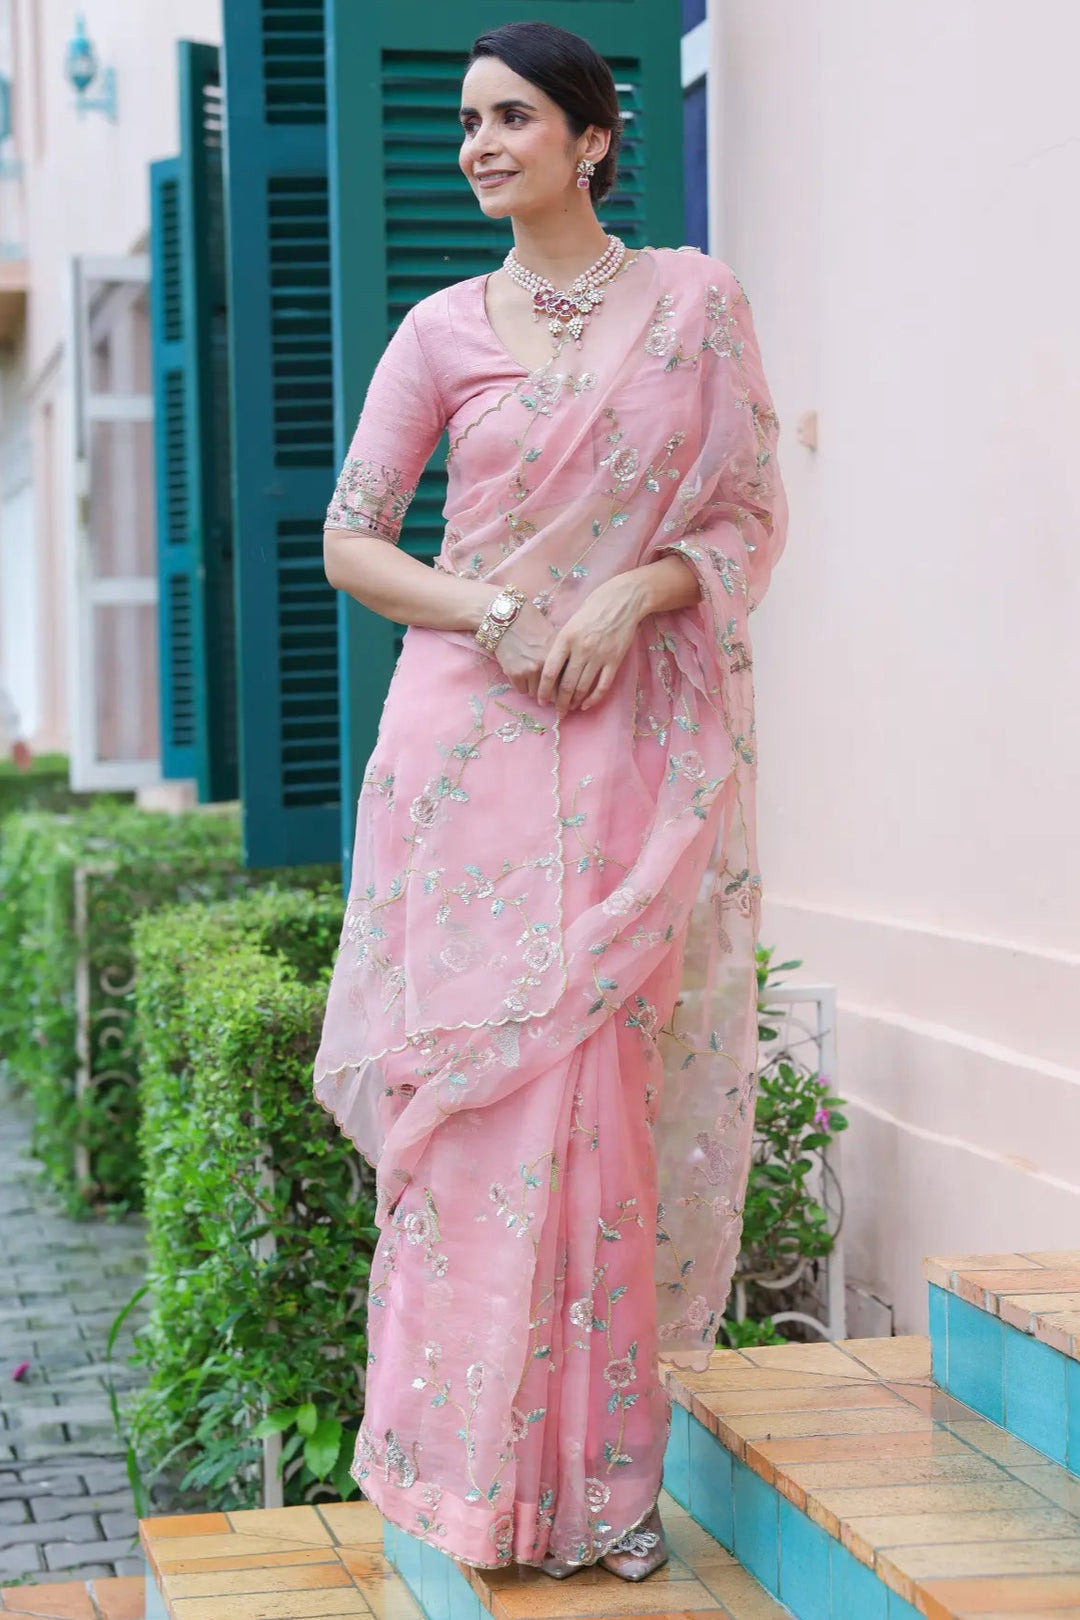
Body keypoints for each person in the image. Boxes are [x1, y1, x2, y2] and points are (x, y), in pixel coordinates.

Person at [313, 18, 788, 1582]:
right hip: (467, 748)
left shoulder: (698, 307)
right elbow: (354, 540)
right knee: (477, 1121)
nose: (477, 145)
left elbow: (747, 514)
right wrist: (501, 613)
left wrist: (640, 589)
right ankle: (467, 1489)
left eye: (510, 117)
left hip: (629, 736)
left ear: (592, 139)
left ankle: (599, 1494)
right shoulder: (440, 329)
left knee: (599, 1110)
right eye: (466, 122)